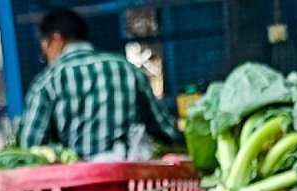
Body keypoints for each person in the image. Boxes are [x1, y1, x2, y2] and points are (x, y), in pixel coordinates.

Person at [15, 8, 180, 159]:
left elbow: (29, 145)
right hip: (128, 179)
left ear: (56, 39)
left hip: (76, 185)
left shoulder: (47, 81)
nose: (45, 57)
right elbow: (165, 130)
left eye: (44, 49)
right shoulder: (126, 69)